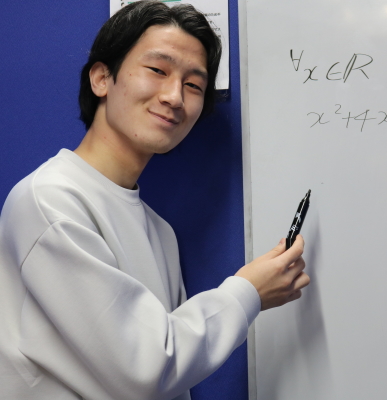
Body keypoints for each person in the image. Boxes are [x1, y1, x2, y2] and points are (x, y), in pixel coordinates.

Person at [0, 1, 310, 399]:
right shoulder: (51, 201)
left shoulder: (160, 233)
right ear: (101, 78)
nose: (175, 97)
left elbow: (169, 381)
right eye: (158, 70)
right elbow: (148, 367)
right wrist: (248, 292)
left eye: (193, 85)